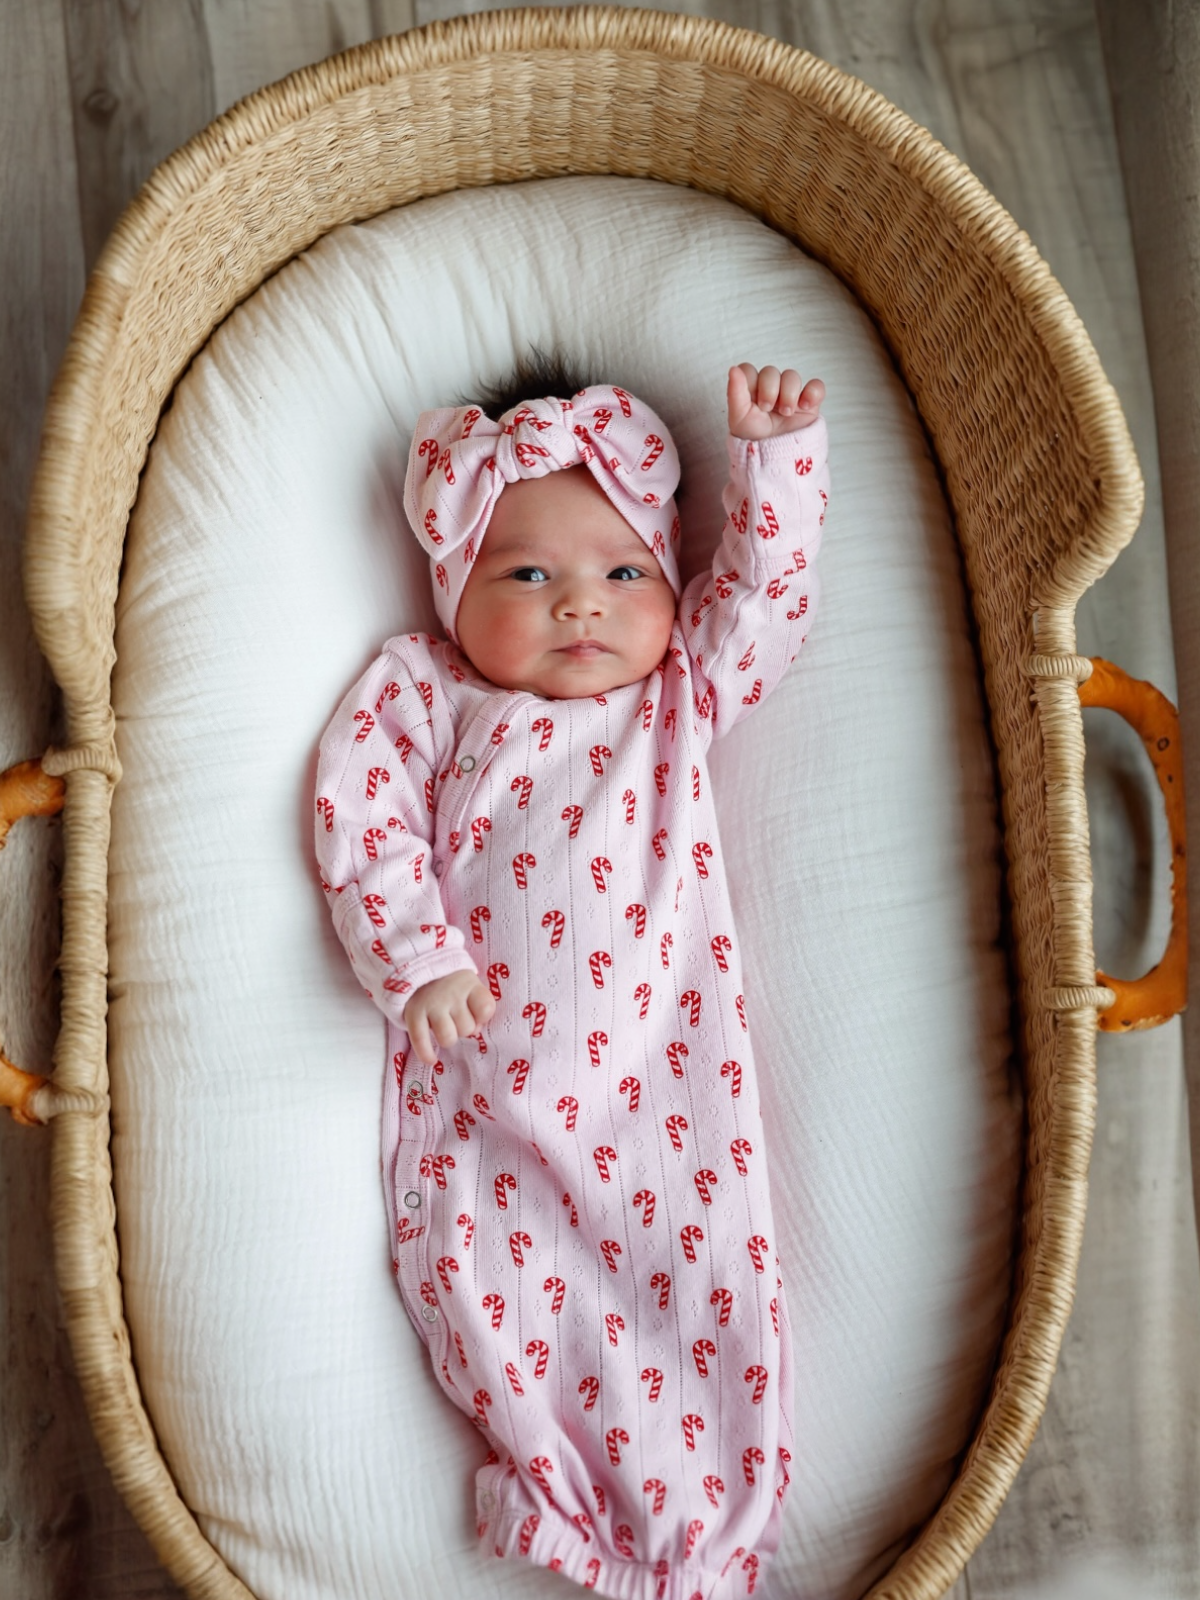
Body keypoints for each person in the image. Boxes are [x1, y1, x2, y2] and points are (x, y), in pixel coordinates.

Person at [314, 354, 827, 1599]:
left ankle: (694, 1532)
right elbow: (362, 816)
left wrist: (775, 464)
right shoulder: (432, 692)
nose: (581, 605)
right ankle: (554, 1483)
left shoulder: (676, 694)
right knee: (494, 1263)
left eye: (625, 572)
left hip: (662, 1088)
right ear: (455, 591)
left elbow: (765, 598)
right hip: (491, 1083)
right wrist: (418, 954)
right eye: (528, 575)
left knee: (693, 1271)